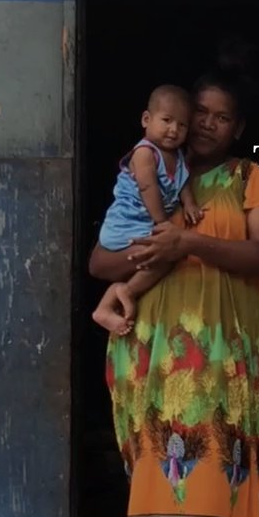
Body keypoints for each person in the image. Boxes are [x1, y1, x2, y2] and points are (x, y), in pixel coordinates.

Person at [88, 60, 259, 517]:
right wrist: (148, 252)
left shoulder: (253, 179)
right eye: (198, 111)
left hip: (223, 353)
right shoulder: (144, 175)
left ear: (238, 129)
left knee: (209, 465)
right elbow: (99, 262)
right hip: (151, 351)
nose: (204, 125)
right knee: (161, 474)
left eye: (221, 118)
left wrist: (188, 246)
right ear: (167, 116)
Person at [91, 84, 205, 335]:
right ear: (146, 119)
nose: (174, 130)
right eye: (166, 120)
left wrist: (190, 203)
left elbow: (182, 182)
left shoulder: (177, 157)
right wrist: (161, 222)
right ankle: (111, 302)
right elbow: (147, 187)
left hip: (143, 224)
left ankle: (120, 294)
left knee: (165, 258)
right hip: (127, 223)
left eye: (182, 125)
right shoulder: (145, 153)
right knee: (163, 256)